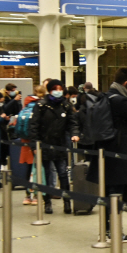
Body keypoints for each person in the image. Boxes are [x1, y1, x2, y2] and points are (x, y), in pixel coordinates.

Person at [82, 68, 127, 242]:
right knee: (118, 193)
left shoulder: (105, 97)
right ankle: (114, 232)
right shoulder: (121, 101)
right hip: (119, 154)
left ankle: (106, 230)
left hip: (104, 151)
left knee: (107, 192)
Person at [29, 79, 76, 214]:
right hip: (44, 145)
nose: (58, 91)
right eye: (55, 89)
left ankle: (67, 202)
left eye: (60, 88)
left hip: (60, 144)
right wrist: (34, 144)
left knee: (63, 173)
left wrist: (74, 134)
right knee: (47, 175)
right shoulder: (41, 105)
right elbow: (34, 125)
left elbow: (72, 122)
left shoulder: (65, 105)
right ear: (49, 90)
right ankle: (47, 202)